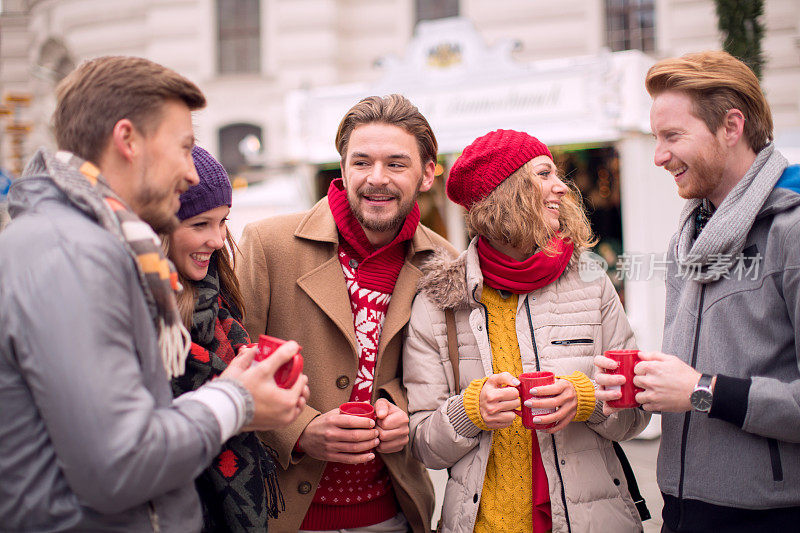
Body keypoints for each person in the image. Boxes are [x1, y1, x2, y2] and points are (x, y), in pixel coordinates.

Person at [0, 56, 308, 531]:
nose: (190, 173)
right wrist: (236, 401)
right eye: (183, 148)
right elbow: (119, 465)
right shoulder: (76, 252)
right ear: (127, 140)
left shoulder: (78, 241)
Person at [403, 129, 650, 533]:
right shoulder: (438, 302)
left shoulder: (591, 281)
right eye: (544, 174)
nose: (562, 188)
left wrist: (585, 399)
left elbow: (636, 413)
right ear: (506, 193)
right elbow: (423, 444)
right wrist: (469, 412)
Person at [594, 50, 800, 532]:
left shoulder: (791, 230)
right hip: (684, 510)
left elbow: (699, 386)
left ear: (732, 126)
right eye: (655, 138)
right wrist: (644, 383)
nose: (659, 156)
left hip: (771, 517)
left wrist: (702, 390)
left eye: (673, 136)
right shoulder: (690, 231)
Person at [236, 94, 455, 532]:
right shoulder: (267, 245)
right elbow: (231, 363)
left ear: (427, 173)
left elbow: (450, 376)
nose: (377, 179)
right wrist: (298, 430)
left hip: (393, 514)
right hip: (282, 514)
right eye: (361, 162)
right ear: (342, 168)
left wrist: (403, 412)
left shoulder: (445, 263)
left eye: (396, 164)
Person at [165, 145, 298, 531]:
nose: (219, 240)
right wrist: (239, 400)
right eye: (200, 225)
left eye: (223, 222)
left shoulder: (218, 293)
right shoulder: (143, 314)